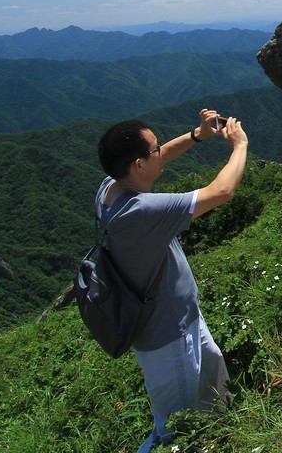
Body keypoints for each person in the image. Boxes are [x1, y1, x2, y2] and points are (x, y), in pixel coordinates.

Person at [95, 109, 248, 452]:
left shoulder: (109, 188)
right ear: (137, 165)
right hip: (168, 339)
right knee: (174, 429)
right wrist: (239, 145)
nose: (160, 152)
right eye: (154, 150)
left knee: (210, 380)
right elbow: (222, 191)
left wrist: (197, 135)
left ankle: (221, 437)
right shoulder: (141, 212)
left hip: (182, 319)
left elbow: (158, 158)